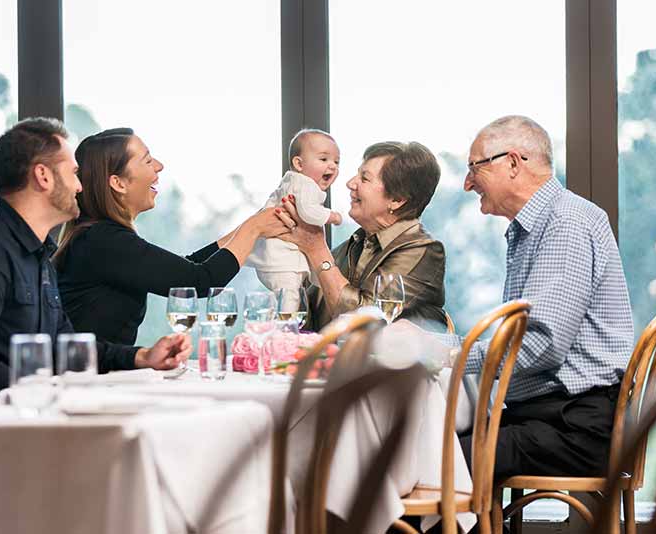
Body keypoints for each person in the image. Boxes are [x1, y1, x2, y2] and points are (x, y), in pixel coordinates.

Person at [436, 115, 634, 479]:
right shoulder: (540, 225)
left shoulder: (565, 222)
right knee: (433, 443)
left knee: (435, 467)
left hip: (575, 427)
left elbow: (540, 344)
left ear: (512, 162)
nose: (467, 183)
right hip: (553, 416)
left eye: (474, 167)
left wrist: (453, 355)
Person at [0, 118, 192, 400]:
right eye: (74, 173)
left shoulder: (41, 257)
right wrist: (50, 395)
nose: (79, 186)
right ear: (43, 176)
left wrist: (142, 357)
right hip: (8, 427)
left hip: (39, 413)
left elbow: (66, 346)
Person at [52, 128, 287, 345]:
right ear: (118, 183)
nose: (159, 166)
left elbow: (188, 267)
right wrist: (254, 228)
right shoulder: (105, 242)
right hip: (89, 382)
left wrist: (253, 226)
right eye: (147, 160)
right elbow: (199, 281)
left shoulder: (97, 237)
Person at [277, 141, 448, 331]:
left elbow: (365, 323)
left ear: (397, 200)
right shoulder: (354, 245)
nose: (350, 183)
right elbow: (302, 318)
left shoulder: (423, 250)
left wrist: (316, 250)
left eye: (364, 179)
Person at [245, 129, 342, 309]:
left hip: (275, 258)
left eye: (337, 161)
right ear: (299, 163)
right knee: (289, 300)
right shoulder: (305, 184)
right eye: (324, 159)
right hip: (282, 260)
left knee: (284, 298)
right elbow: (308, 212)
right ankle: (285, 331)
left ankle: (280, 327)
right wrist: (331, 216)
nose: (333, 166)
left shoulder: (291, 182)